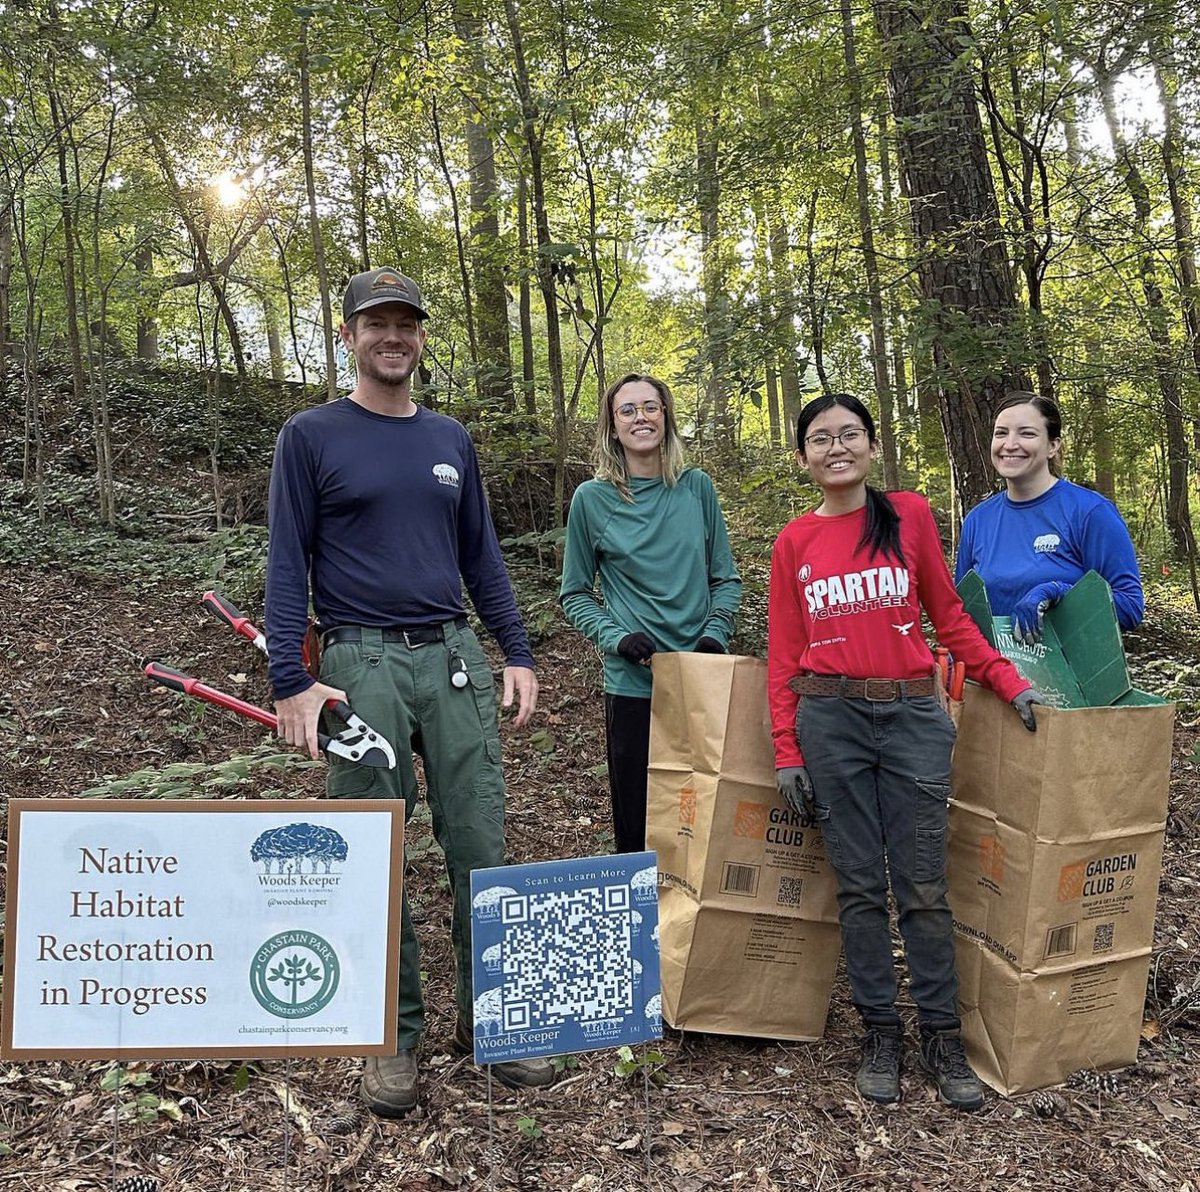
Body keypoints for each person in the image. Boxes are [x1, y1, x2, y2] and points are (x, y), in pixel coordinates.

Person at [264, 266, 554, 1117]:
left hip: (455, 657)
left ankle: (494, 1026)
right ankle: (392, 1036)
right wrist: (292, 678)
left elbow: (481, 557)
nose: (393, 337)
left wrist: (519, 650)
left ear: (421, 338)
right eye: (375, 323)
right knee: (369, 851)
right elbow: (287, 563)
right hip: (360, 667)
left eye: (407, 324)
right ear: (348, 335)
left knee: (480, 840)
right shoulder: (310, 435)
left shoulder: (450, 440)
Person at [767, 393, 1042, 1111]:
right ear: (803, 458)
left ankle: (942, 1038)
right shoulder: (794, 541)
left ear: (871, 446)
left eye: (849, 434)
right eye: (820, 439)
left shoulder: (909, 515)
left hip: (914, 717)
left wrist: (1008, 684)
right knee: (859, 889)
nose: (836, 448)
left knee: (923, 887)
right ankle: (881, 1035)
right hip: (831, 723)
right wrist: (787, 748)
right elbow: (783, 654)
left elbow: (948, 616)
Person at [559, 374, 742, 853]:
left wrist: (714, 636)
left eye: (651, 407)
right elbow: (574, 593)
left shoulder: (696, 488)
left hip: (701, 682)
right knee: (639, 828)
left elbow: (725, 579)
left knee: (703, 821)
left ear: (666, 417)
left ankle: (697, 928)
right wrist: (617, 638)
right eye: (628, 410)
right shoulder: (592, 500)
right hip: (633, 687)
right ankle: (645, 924)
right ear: (612, 427)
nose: (641, 417)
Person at [955, 392, 1144, 643]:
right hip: (994, 678)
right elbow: (961, 612)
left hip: (1072, 676)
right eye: (1001, 433)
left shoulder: (1090, 512)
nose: (1010, 444)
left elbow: (1130, 607)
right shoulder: (978, 520)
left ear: (1052, 446)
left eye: (1027, 433)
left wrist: (1059, 593)